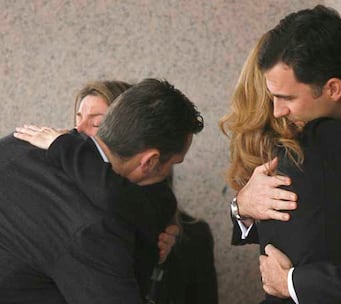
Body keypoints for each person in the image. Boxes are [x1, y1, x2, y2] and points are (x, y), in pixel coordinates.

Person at [221, 5, 341, 304]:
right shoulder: (300, 134)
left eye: (286, 98)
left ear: (332, 89)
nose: (277, 111)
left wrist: (294, 283)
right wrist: (241, 207)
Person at [16, 80, 218, 304]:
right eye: (77, 117)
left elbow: (110, 192)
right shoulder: (55, 184)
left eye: (98, 123)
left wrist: (62, 146)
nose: (78, 130)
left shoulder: (156, 203)